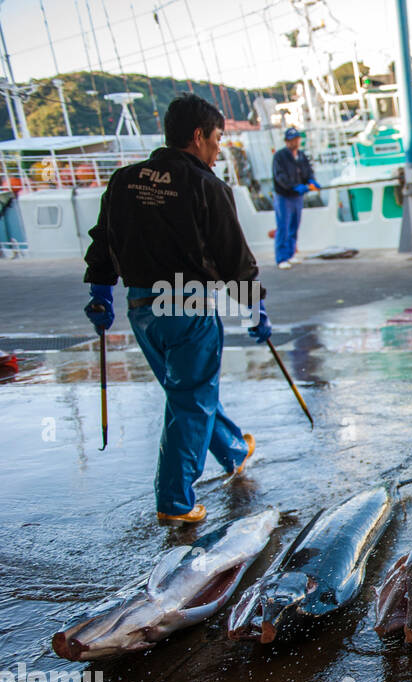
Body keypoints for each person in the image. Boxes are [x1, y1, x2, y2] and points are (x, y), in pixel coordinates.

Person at [83, 93, 270, 524]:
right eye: (218, 138)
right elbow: (233, 258)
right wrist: (255, 310)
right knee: (190, 399)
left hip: (142, 307)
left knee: (187, 391)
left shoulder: (124, 180)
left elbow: (102, 241)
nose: (219, 148)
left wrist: (100, 294)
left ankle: (233, 449)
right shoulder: (208, 186)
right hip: (186, 303)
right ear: (198, 135)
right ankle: (175, 501)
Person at [272, 126, 319, 269]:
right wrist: (294, 186)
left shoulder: (301, 156)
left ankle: (290, 254)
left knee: (294, 225)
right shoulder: (279, 156)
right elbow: (280, 177)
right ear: (287, 141)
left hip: (297, 197)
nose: (295, 142)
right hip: (284, 196)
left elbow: (308, 171)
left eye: (297, 139)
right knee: (283, 226)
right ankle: (281, 258)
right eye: (292, 140)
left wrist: (311, 181)